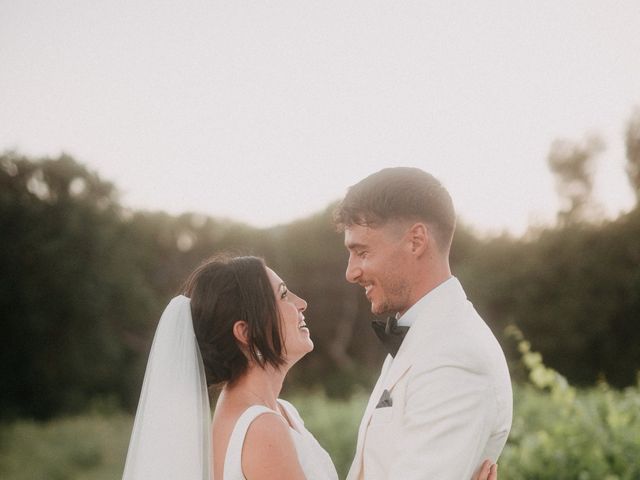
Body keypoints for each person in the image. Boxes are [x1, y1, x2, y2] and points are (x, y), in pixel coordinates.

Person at [122, 254, 500, 479]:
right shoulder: (260, 428)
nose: (301, 303)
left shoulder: (280, 413)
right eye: (284, 295)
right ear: (246, 332)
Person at [334, 167, 513, 480]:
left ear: (416, 241)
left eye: (362, 251)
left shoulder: (457, 356)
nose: (351, 272)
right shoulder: (425, 336)